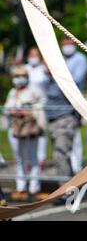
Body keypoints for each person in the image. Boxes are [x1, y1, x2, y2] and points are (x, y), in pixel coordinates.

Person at [43, 37, 87, 182]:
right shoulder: (60, 59)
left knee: (62, 153)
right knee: (60, 153)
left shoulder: (79, 59)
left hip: (66, 112)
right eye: (65, 44)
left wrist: (54, 72)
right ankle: (68, 186)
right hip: (53, 113)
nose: (67, 47)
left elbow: (73, 82)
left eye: (70, 44)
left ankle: (65, 190)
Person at [4, 65, 46, 200]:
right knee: (19, 158)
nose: (19, 78)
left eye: (22, 75)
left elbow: (42, 103)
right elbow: (6, 108)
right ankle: (20, 186)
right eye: (17, 76)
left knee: (33, 157)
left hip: (30, 128)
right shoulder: (12, 92)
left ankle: (34, 186)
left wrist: (30, 110)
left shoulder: (34, 90)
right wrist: (12, 110)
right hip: (15, 128)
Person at [25, 47, 48, 170]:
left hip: (40, 106)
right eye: (31, 55)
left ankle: (41, 158)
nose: (33, 57)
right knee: (27, 133)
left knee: (40, 133)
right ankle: (28, 158)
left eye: (36, 55)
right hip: (27, 106)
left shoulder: (42, 69)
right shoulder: (26, 68)